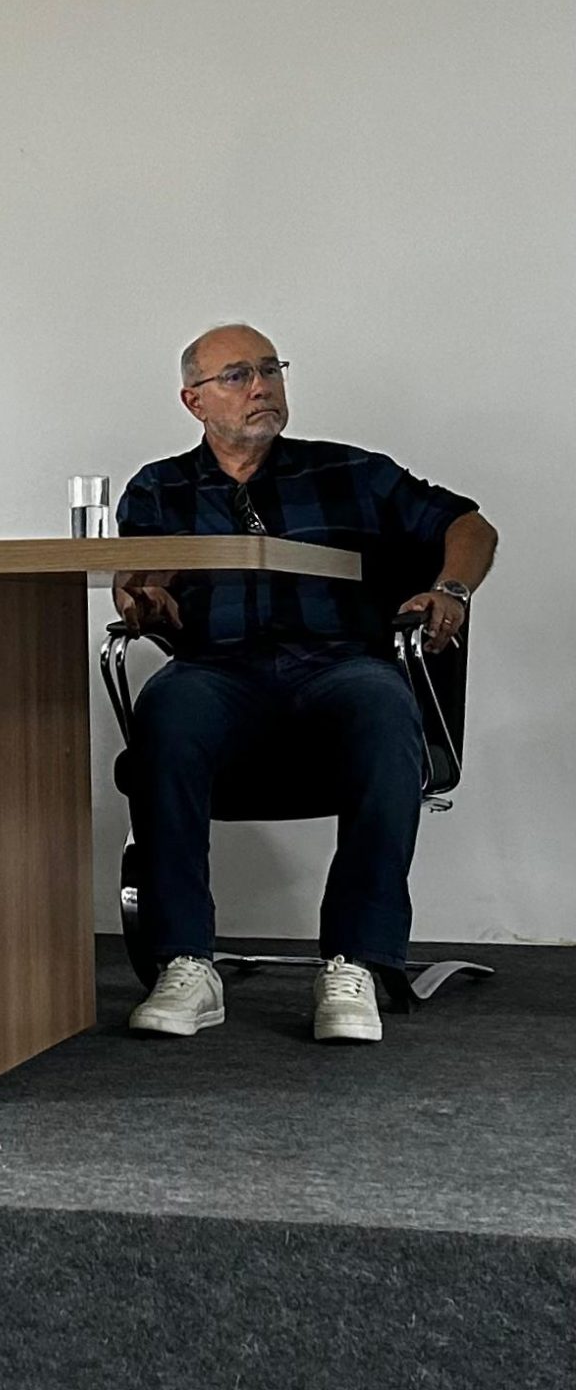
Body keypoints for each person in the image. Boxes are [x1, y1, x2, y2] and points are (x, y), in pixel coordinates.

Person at [114, 324, 496, 1046]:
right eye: (237, 376)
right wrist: (145, 599)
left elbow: (470, 525)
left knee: (386, 706)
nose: (260, 386)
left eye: (270, 370)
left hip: (338, 665)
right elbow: (140, 578)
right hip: (218, 670)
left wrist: (450, 588)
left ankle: (355, 960)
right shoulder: (160, 486)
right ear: (194, 401)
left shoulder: (349, 471)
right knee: (165, 710)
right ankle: (186, 963)